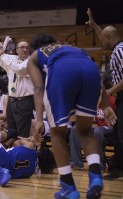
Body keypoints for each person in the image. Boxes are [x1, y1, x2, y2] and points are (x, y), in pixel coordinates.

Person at [27, 33, 117, 199]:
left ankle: (68, 187)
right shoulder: (73, 48)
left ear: (35, 48)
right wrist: (105, 105)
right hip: (90, 71)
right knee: (85, 131)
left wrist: (39, 119)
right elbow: (96, 74)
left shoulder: (35, 56)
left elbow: (38, 88)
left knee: (57, 132)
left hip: (62, 73)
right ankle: (95, 175)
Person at [87, 8, 123, 181]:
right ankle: (117, 169)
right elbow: (105, 35)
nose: (101, 40)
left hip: (121, 95)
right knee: (118, 134)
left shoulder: (121, 51)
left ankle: (117, 168)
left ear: (108, 38)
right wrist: (93, 24)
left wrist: (109, 91)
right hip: (120, 97)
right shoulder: (117, 48)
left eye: (103, 38)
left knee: (121, 135)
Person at [0, 39, 34, 138]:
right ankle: (12, 152)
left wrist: (3, 55)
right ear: (16, 50)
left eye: (27, 47)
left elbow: (20, 70)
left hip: (25, 101)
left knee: (22, 132)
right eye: (22, 47)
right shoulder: (12, 60)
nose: (24, 49)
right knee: (11, 131)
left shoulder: (31, 61)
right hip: (11, 101)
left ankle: (22, 152)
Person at [69, 95, 116, 171]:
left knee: (98, 131)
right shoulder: (92, 101)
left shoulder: (112, 100)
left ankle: (100, 165)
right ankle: (76, 163)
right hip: (98, 127)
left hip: (111, 127)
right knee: (75, 129)